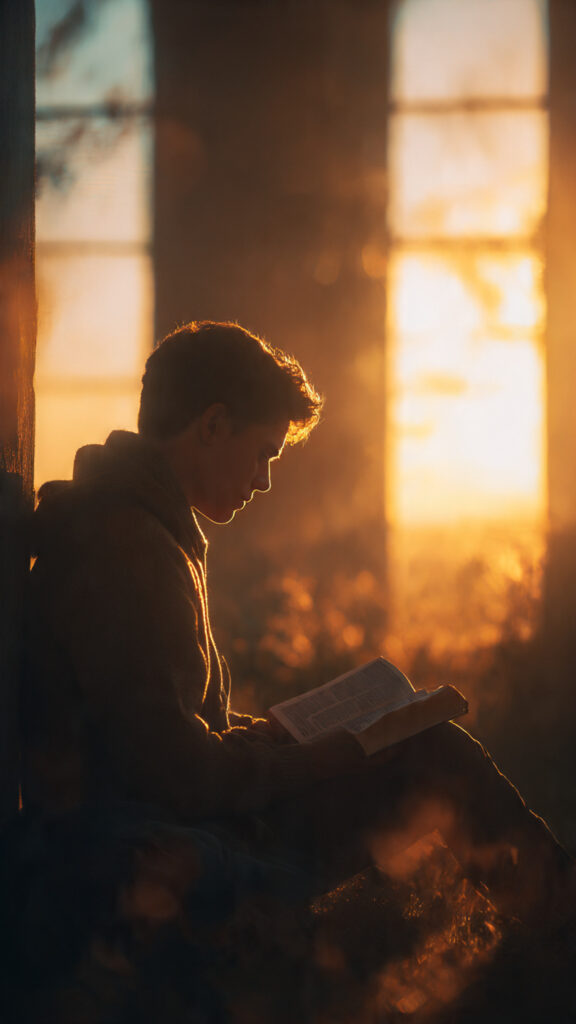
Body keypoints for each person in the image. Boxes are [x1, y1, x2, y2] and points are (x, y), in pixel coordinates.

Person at [21, 321, 574, 959]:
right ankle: (560, 919)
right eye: (263, 453)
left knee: (419, 746)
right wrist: (328, 756)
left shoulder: (142, 529)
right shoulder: (129, 549)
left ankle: (558, 914)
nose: (263, 481)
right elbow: (175, 774)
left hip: (160, 820)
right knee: (430, 757)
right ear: (212, 425)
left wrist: (268, 735)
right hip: (151, 841)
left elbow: (161, 735)